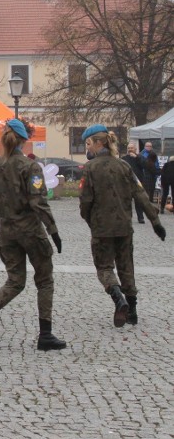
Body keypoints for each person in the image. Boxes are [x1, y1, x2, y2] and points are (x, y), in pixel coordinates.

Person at [0, 118, 66, 351]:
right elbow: (38, 202)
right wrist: (53, 230)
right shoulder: (30, 167)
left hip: (6, 232)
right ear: (23, 140)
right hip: (30, 231)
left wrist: (7, 216)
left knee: (15, 281)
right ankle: (46, 334)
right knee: (44, 280)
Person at [80, 125, 166, 327]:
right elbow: (141, 194)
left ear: (99, 143)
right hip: (124, 227)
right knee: (127, 268)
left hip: (102, 228)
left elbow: (85, 202)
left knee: (104, 267)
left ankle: (119, 299)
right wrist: (155, 222)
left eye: (89, 143)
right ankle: (133, 312)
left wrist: (89, 220)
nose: (88, 148)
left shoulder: (90, 169)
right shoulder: (124, 166)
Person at [122, 143, 146, 224]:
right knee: (126, 201)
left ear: (135, 149)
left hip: (137, 182)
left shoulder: (140, 157)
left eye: (132, 148)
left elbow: (144, 166)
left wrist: (137, 157)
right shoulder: (124, 158)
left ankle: (140, 217)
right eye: (129, 148)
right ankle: (127, 218)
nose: (130, 149)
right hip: (126, 182)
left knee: (138, 201)